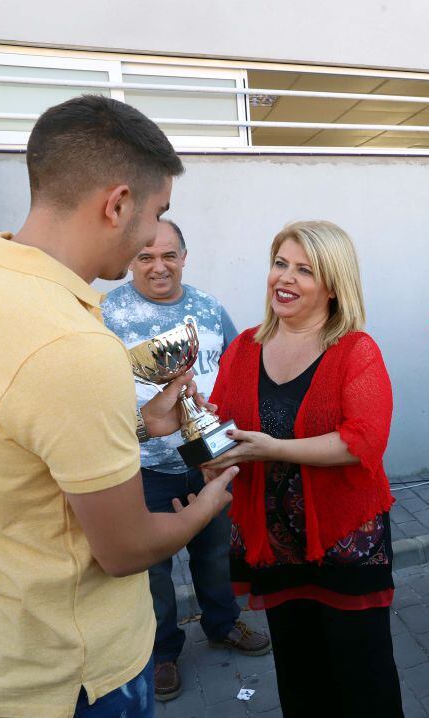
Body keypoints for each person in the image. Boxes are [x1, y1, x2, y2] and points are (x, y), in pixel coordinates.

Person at [0, 95, 236, 718]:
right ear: (116, 204)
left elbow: (22, 449)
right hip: (78, 678)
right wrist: (209, 506)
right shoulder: (74, 344)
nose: (154, 237)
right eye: (156, 213)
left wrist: (141, 422)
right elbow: (126, 549)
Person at [202, 220, 402, 717]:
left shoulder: (356, 350)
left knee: (364, 678)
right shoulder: (245, 347)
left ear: (332, 285)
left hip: (345, 538)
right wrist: (187, 433)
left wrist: (273, 448)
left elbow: (363, 442)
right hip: (274, 544)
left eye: (303, 270)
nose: (284, 279)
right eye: (279, 264)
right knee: (298, 675)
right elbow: (220, 425)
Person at [103, 219, 270, 701]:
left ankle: (222, 624)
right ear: (131, 257)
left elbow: (240, 367)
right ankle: (163, 653)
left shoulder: (207, 309)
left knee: (215, 554)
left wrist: (230, 421)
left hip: (207, 462)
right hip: (141, 467)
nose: (159, 266)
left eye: (169, 255)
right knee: (153, 569)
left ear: (184, 256)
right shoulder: (105, 315)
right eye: (146, 256)